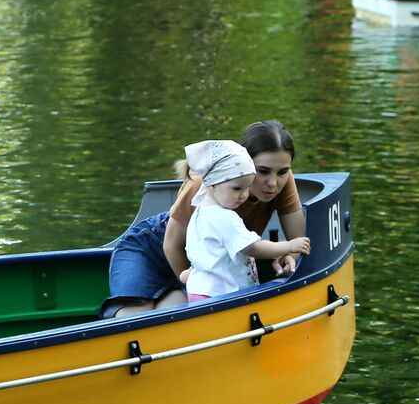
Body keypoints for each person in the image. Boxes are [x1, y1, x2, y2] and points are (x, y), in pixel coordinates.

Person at [103, 120, 307, 318]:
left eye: (283, 171)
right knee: (133, 319)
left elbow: (297, 242)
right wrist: (193, 287)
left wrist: (288, 256)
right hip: (153, 249)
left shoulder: (280, 180)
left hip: (203, 263)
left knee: (172, 316)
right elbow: (171, 244)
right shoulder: (205, 184)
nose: (273, 182)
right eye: (262, 171)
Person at [180, 140, 311, 302]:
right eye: (237, 188)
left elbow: (206, 255)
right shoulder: (226, 218)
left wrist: (192, 276)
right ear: (213, 184)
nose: (244, 195)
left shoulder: (200, 211)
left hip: (200, 291)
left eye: (247, 187)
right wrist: (289, 246)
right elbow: (253, 247)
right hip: (220, 296)